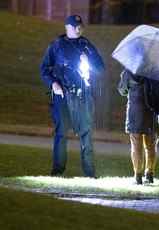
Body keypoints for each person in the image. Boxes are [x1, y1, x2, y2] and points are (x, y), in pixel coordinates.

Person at [40, 15, 105, 178]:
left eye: (80, 25)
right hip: (62, 96)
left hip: (82, 96)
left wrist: (88, 58)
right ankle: (57, 171)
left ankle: (90, 173)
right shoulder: (57, 45)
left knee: (86, 133)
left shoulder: (86, 45)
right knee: (61, 133)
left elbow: (100, 68)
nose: (79, 28)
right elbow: (44, 69)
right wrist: (53, 84)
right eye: (75, 25)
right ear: (67, 27)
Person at [118, 69, 159, 185]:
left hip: (135, 111)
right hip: (151, 111)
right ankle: (150, 174)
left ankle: (138, 176)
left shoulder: (128, 71)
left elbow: (122, 90)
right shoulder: (154, 71)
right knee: (150, 145)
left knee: (136, 145)